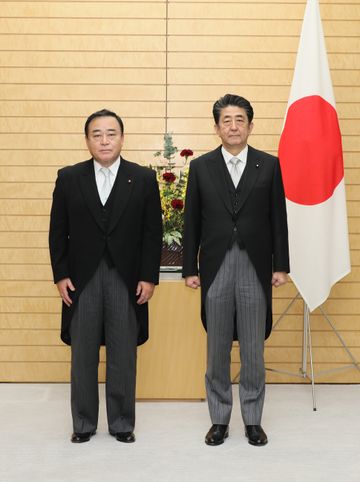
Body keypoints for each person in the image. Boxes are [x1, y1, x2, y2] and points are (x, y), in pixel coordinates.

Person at [49, 109, 162, 443]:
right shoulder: (69, 178)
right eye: (96, 134)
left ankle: (122, 423)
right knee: (82, 354)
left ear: (122, 138)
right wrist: (61, 275)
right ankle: (83, 423)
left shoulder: (142, 178)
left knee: (123, 353)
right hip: (81, 281)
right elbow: (58, 232)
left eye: (111, 133)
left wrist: (148, 277)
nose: (104, 140)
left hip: (125, 280)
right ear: (87, 140)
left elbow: (151, 233)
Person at [182, 94, 289, 447]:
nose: (233, 126)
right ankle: (219, 420)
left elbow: (278, 220)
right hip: (215, 266)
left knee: (253, 348)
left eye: (240, 119)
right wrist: (189, 268)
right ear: (216, 128)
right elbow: (191, 221)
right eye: (226, 120)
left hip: (255, 266)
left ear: (250, 126)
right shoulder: (200, 167)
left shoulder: (269, 166)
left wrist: (281, 265)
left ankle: (253, 420)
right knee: (216, 348)